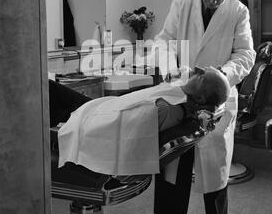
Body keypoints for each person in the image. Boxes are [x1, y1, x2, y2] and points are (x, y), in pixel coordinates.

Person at [151, 0, 256, 214]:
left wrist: (219, 76)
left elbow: (245, 54)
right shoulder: (181, 3)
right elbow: (163, 40)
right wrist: (171, 68)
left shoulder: (238, 11)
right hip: (181, 96)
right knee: (176, 173)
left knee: (215, 172)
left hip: (216, 102)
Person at [51, 67, 229, 180]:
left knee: (47, 94)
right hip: (100, 111)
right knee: (50, 89)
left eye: (202, 77)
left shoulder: (169, 109)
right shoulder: (176, 100)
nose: (197, 72)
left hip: (95, 123)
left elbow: (131, 133)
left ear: (199, 97)